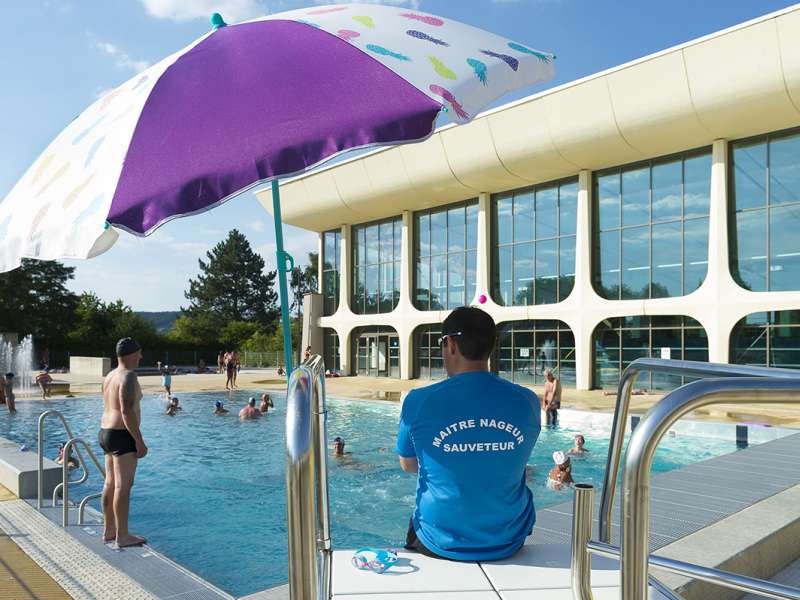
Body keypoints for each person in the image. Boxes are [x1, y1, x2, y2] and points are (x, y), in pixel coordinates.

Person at [396, 306, 541, 561]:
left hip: (437, 539)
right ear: (491, 346)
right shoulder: (527, 401)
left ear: (450, 344)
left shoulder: (418, 401)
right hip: (509, 537)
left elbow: (408, 465)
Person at [98, 337, 148, 548]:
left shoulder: (110, 376)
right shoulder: (128, 376)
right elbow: (127, 411)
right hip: (122, 434)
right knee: (123, 486)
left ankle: (108, 530)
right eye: (139, 353)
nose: (141, 357)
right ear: (131, 354)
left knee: (109, 483)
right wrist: (139, 441)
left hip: (105, 432)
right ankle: (123, 536)